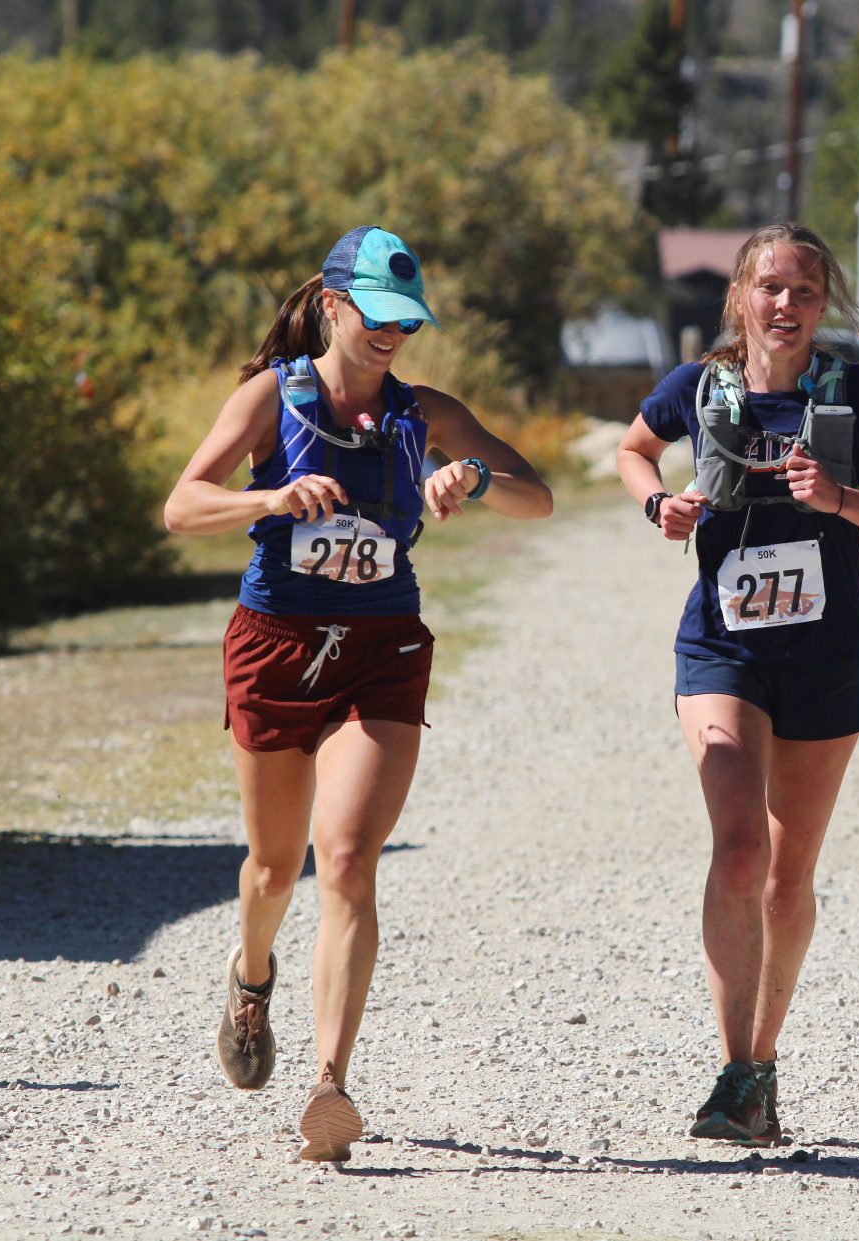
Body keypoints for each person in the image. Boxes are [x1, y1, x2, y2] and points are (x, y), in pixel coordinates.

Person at [163, 226, 553, 1161]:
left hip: (382, 649)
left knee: (344, 860)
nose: (391, 337)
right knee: (273, 866)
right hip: (276, 647)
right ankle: (250, 976)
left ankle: (331, 1087)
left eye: (405, 323)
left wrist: (477, 476)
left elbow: (537, 494)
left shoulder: (427, 410)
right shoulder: (273, 397)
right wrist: (267, 500)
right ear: (334, 304)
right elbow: (181, 506)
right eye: (376, 318)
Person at [614, 223, 859, 1145]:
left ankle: (761, 1064)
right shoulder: (700, 385)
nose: (786, 305)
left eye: (803, 290)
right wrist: (658, 502)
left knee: (789, 875)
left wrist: (840, 497)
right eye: (770, 288)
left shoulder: (857, 396)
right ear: (740, 298)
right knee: (739, 851)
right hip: (723, 648)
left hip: (827, 658)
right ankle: (732, 1071)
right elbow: (633, 450)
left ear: (822, 301)